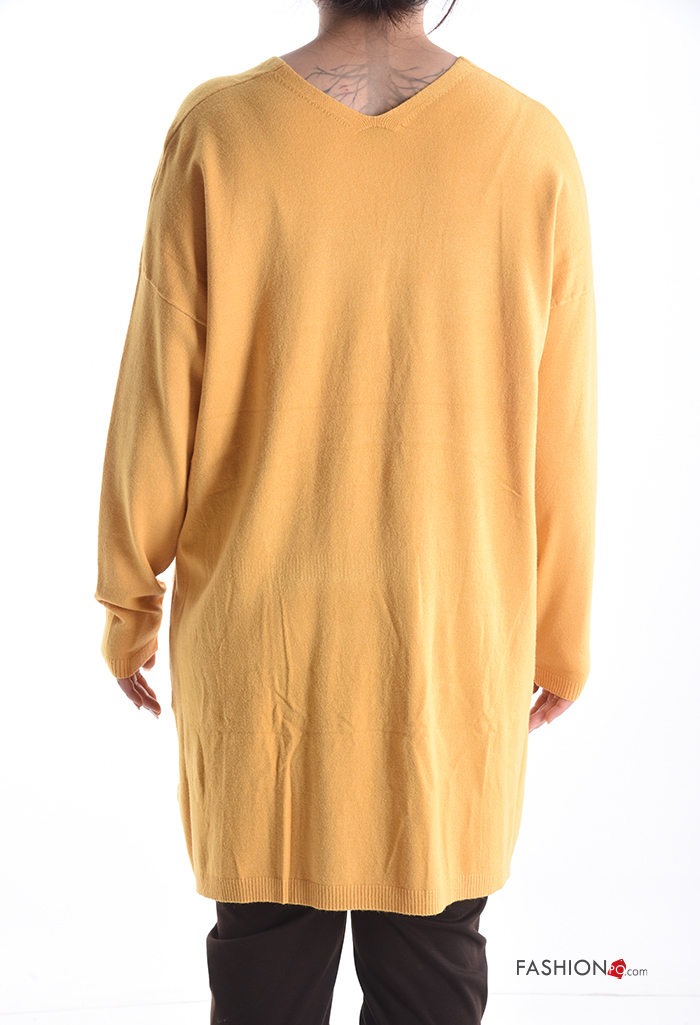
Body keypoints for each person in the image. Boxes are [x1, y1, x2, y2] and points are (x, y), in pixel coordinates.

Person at [95, 0, 597, 1020]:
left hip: (264, 656)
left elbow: (157, 395)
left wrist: (127, 602)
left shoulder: (219, 135)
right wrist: (560, 639)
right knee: (434, 968)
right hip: (446, 649)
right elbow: (564, 432)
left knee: (264, 971)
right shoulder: (531, 147)